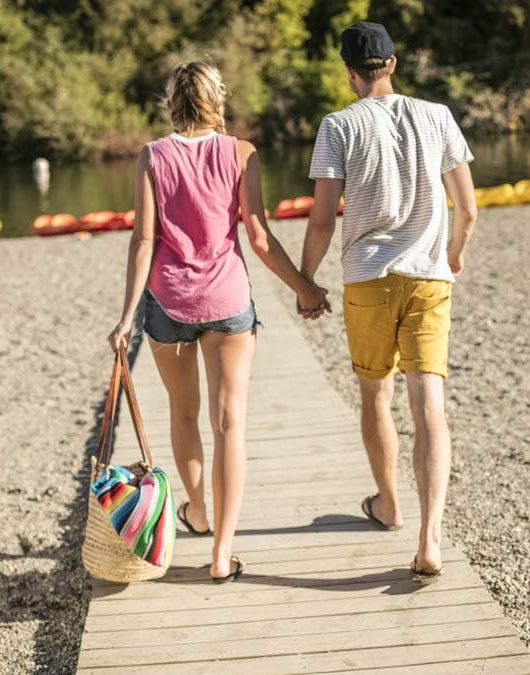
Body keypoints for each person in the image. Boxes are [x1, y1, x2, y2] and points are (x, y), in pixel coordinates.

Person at [108, 61, 328, 582]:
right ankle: (222, 554)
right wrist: (305, 288)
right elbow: (257, 236)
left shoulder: (152, 156)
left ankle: (198, 511)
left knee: (184, 415)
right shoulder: (241, 153)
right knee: (230, 424)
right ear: (218, 99)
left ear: (172, 101)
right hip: (228, 301)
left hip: (168, 303)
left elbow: (144, 241)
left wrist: (124, 319)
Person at [299, 22, 478, 577]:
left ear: (349, 71)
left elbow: (324, 218)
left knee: (376, 395)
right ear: (394, 64)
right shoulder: (439, 116)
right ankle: (430, 539)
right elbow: (467, 209)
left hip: (369, 279)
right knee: (430, 407)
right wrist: (454, 253)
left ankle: (389, 505)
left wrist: (306, 280)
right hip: (428, 278)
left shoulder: (337, 126)